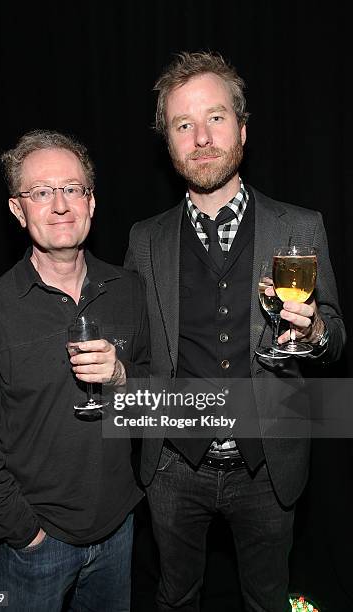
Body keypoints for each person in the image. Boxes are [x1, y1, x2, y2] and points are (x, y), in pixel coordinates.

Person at [125, 51, 345, 611]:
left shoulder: (300, 225)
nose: (201, 137)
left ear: (242, 130)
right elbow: (139, 350)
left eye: (215, 117)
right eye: (183, 125)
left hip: (269, 463)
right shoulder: (143, 240)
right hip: (173, 464)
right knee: (175, 597)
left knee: (268, 600)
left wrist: (316, 327)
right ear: (170, 145)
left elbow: (335, 335)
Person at [0, 129, 149, 612]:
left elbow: (157, 398)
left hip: (119, 531)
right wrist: (24, 534)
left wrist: (122, 376)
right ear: (18, 211)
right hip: (36, 547)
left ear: (92, 202)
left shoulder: (130, 289)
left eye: (72, 188)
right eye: (41, 192)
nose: (60, 205)